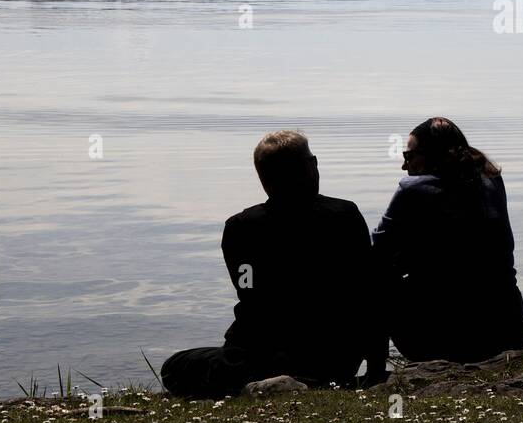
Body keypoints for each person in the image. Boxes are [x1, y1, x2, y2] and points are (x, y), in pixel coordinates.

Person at [161, 131, 386, 398]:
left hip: (260, 357)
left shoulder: (240, 228)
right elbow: (370, 294)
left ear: (263, 178)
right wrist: (375, 371)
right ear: (311, 165)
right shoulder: (345, 216)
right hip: (335, 358)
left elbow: (248, 292)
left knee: (174, 366)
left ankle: (255, 382)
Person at [373, 117, 523, 362]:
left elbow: (379, 249)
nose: (405, 166)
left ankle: (374, 369)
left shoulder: (412, 189)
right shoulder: (491, 180)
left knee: (375, 274)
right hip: (509, 328)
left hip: (441, 340)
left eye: (409, 156)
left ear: (433, 156)